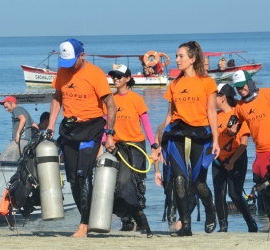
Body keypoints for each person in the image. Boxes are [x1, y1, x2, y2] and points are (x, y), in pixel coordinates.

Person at [47, 38, 117, 238]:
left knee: (82, 175)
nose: (69, 67)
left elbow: (111, 106)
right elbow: (57, 97)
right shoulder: (62, 71)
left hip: (91, 128)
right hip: (69, 129)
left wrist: (109, 135)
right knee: (72, 180)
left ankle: (84, 225)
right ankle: (88, 219)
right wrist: (51, 124)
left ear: (82, 55)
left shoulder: (95, 74)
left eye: (72, 62)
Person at [161, 41, 220, 237]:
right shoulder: (175, 84)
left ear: (192, 59)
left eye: (181, 56)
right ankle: (185, 225)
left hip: (200, 134)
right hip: (176, 133)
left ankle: (210, 209)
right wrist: (159, 144)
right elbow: (169, 116)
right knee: (179, 180)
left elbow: (212, 112)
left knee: (198, 183)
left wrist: (216, 141)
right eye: (176, 56)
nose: (176, 60)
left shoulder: (207, 82)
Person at [106, 64, 159, 232]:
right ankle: (127, 221)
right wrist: (104, 143)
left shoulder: (137, 99)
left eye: (119, 76)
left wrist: (154, 145)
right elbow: (105, 124)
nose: (115, 79)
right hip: (117, 145)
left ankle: (139, 220)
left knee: (134, 182)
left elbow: (146, 124)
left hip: (136, 145)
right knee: (118, 183)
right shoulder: (110, 99)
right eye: (114, 76)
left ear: (127, 79)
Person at [212, 83, 258, 232]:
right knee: (219, 192)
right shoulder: (214, 116)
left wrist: (232, 161)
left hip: (237, 159)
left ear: (223, 97)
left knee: (234, 193)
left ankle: (250, 222)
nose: (211, 99)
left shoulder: (237, 115)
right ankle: (223, 227)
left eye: (215, 96)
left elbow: (244, 144)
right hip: (218, 160)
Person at [228, 70, 270, 224]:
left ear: (250, 82)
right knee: (262, 186)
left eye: (243, 85)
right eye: (237, 87)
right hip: (260, 151)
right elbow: (233, 125)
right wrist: (231, 130)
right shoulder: (240, 106)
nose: (241, 90)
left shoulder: (266, 94)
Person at [0, 96, 38, 161]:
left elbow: (23, 119)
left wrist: (18, 133)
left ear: (12, 103)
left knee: (2, 160)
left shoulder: (16, 109)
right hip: (26, 141)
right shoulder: (24, 111)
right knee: (14, 160)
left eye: (6, 107)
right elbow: (34, 125)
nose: (6, 109)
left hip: (19, 140)